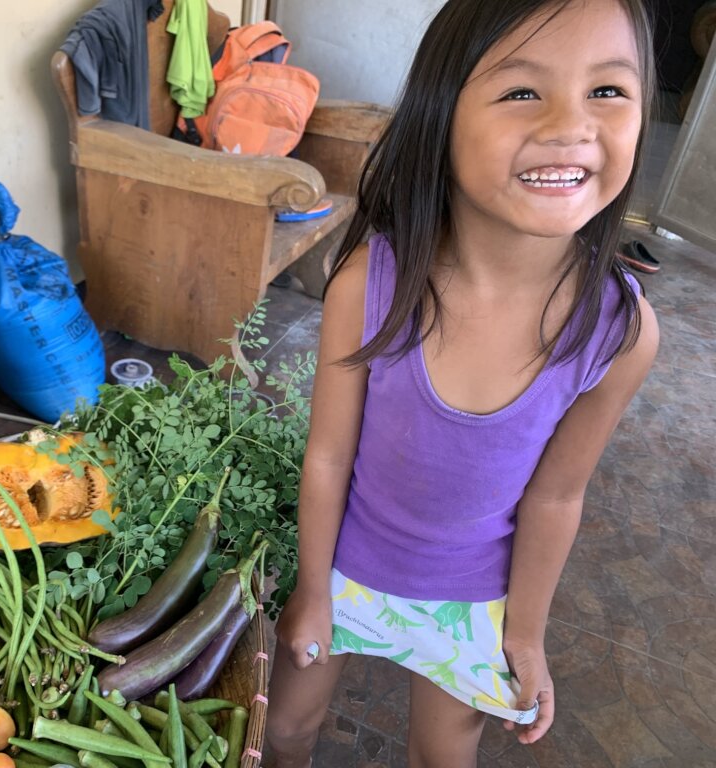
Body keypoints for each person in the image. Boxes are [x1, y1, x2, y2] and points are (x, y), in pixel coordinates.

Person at [264, 0, 659, 766]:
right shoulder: (370, 282)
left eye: (608, 91)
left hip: (476, 600)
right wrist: (312, 593)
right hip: (347, 568)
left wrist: (526, 634)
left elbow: (555, 496)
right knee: (282, 733)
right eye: (522, 91)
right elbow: (327, 457)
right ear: (440, 117)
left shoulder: (621, 333)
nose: (571, 125)